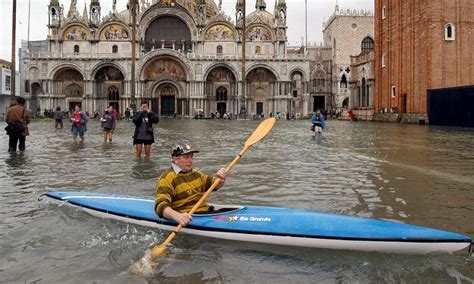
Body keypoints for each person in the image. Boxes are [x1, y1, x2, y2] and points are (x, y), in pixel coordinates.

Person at [155, 141, 227, 226]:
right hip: (188, 216)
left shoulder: (196, 174)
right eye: (186, 157)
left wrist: (221, 179)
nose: (191, 161)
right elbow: (160, 206)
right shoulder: (166, 178)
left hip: (205, 212)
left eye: (191, 157)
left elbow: (215, 185)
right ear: (175, 159)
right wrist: (176, 216)